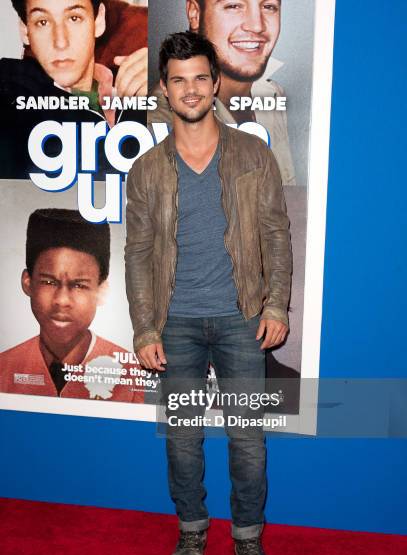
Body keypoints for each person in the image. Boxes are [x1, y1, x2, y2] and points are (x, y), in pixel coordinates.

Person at [125, 32, 292, 555]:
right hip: (175, 325)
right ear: (165, 90)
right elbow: (139, 253)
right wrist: (145, 324)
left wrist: (275, 304)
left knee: (248, 440)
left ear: (215, 83)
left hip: (243, 319)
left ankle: (248, 538)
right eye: (179, 79)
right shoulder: (147, 170)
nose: (191, 89)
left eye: (201, 77)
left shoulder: (253, 155)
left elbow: (276, 235)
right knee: (182, 437)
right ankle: (192, 528)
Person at [0, 208, 144, 404]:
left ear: (101, 290)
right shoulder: (4, 368)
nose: (62, 300)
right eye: (49, 282)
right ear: (27, 282)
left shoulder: (135, 376)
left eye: (79, 285)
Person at [148, 0, 295, 186]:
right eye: (233, 6)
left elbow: (286, 193)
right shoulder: (162, 117)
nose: (257, 26)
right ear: (194, 13)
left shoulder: (271, 94)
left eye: (268, 6)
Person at [0, 0, 148, 178]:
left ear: (98, 21)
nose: (60, 42)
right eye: (43, 22)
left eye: (74, 18)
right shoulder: (12, 88)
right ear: (25, 30)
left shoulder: (137, 89)